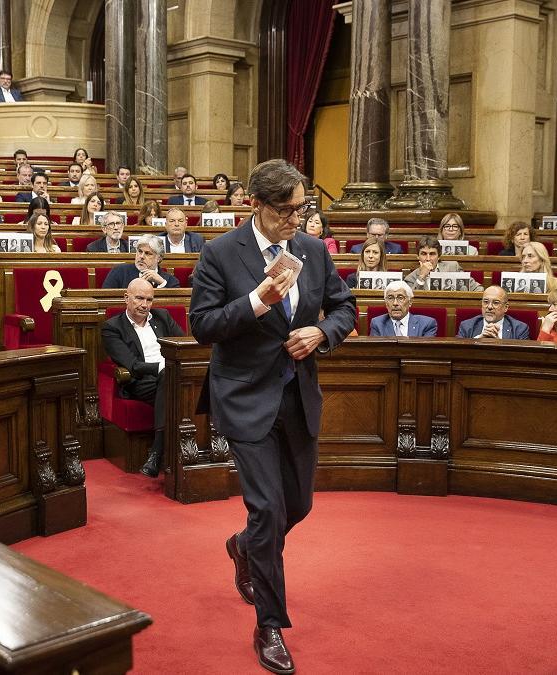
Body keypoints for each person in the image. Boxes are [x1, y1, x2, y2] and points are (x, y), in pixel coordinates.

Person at [188, 159, 355, 674]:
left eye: (301, 208)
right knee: (266, 509)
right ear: (255, 204)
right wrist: (258, 301)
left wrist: (322, 333)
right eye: (285, 210)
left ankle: (244, 549)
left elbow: (345, 307)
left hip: (297, 396)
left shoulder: (311, 249)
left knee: (296, 507)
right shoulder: (219, 254)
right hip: (244, 398)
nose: (295, 219)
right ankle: (270, 625)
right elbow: (203, 325)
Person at [101, 277, 185, 477]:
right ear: (126, 298)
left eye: (149, 300)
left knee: (174, 380)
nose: (145, 305)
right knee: (172, 380)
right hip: (141, 382)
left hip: (170, 377)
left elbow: (183, 346)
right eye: (139, 299)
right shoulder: (112, 327)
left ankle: (157, 453)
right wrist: (163, 367)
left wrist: (170, 368)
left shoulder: (163, 317)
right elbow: (133, 365)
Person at [405, 235, 483, 292]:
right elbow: (411, 300)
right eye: (424, 254)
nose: (428, 259)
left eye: (432, 254)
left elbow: (478, 289)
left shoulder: (453, 267)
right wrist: (421, 276)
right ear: (418, 257)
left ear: (439, 256)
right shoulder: (410, 278)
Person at [102, 236, 179, 289]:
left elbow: (175, 305)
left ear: (159, 258)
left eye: (148, 253)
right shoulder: (119, 272)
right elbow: (105, 298)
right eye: (139, 251)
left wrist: (161, 283)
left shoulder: (170, 281)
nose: (141, 256)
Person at [457, 286, 532, 339]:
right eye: (486, 302)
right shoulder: (467, 326)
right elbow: (457, 352)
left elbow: (523, 357)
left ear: (506, 307)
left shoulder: (519, 329)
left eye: (496, 303)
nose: (489, 307)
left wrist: (498, 343)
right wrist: (479, 339)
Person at [369, 280, 437, 336]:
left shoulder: (426, 324)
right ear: (386, 303)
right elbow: (376, 351)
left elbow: (426, 352)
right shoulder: (377, 323)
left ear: (410, 302)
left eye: (400, 298)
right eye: (390, 298)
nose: (395, 303)